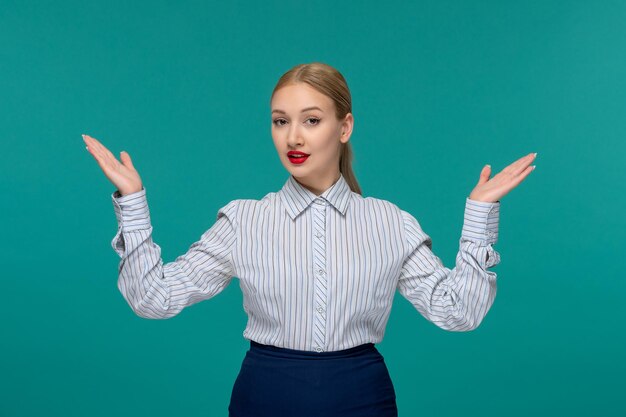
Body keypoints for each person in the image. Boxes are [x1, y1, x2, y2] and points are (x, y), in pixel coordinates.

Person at [83, 62, 537, 417]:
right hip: (265, 397)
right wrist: (133, 203)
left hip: (361, 399)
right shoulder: (245, 220)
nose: (293, 137)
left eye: (311, 120)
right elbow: (152, 297)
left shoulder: (389, 222)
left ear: (344, 127)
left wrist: (479, 214)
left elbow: (459, 312)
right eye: (281, 121)